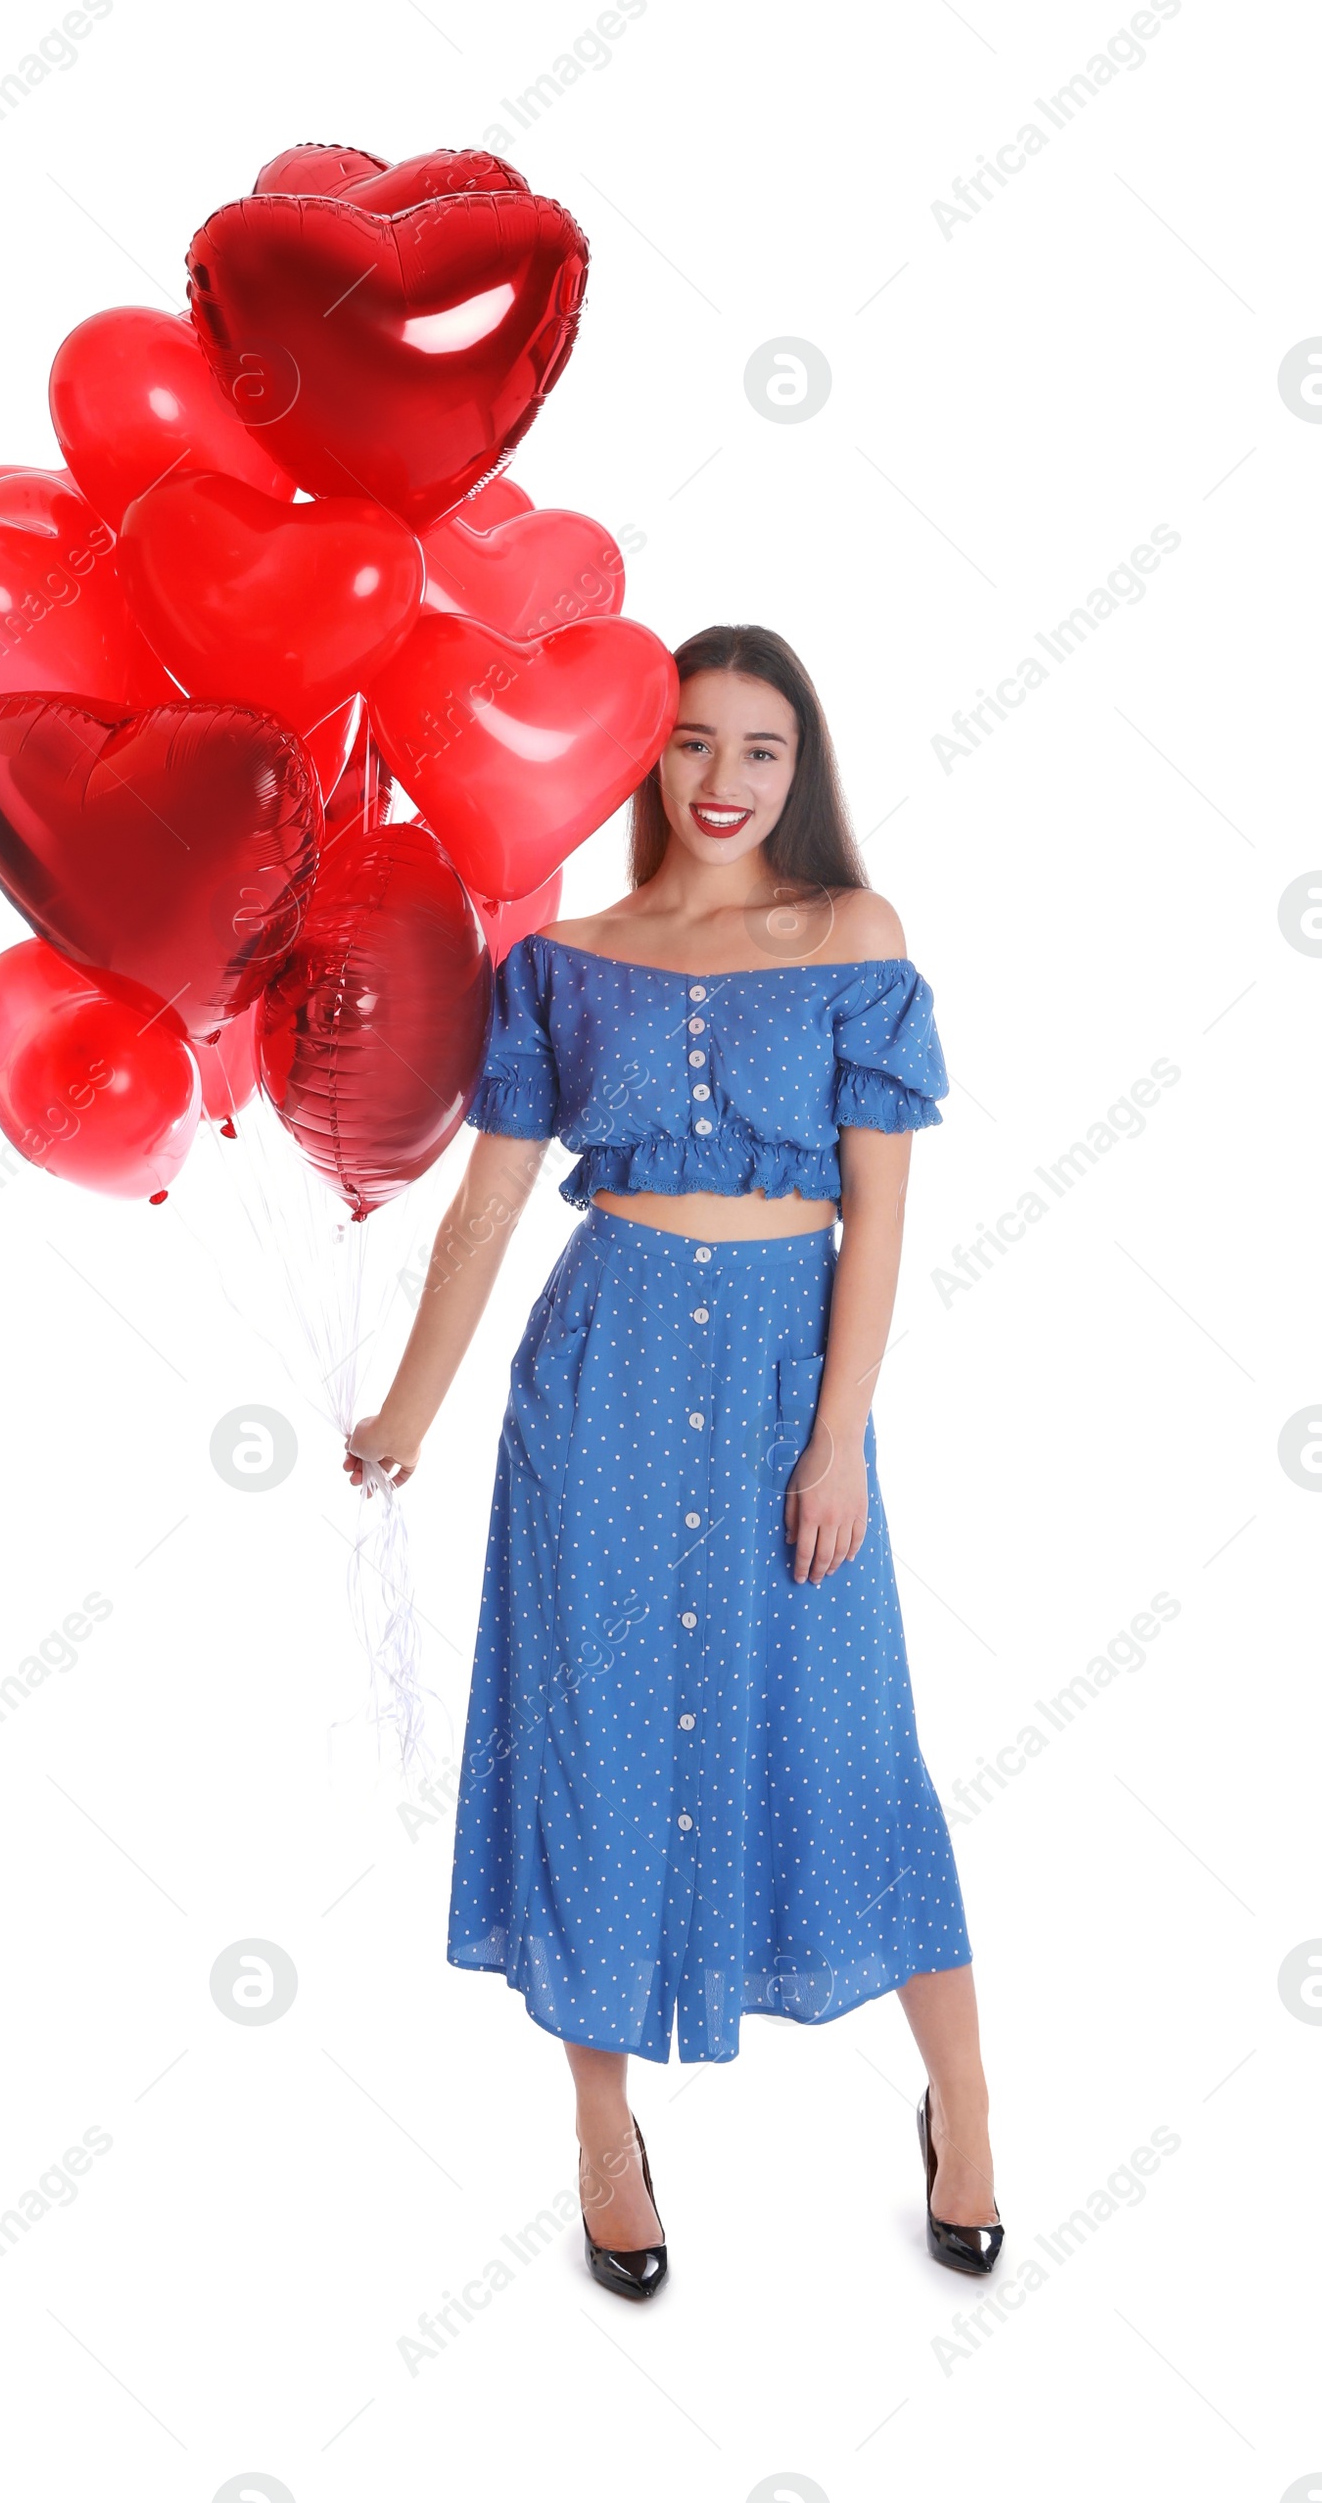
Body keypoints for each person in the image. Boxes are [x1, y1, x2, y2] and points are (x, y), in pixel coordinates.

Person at [344, 623, 1000, 2299]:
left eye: (760, 747)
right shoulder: (567, 958)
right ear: (645, 758)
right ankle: (601, 2132)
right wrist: (412, 1408)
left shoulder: (855, 937)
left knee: (859, 1750)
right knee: (598, 1746)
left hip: (791, 1370)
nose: (725, 779)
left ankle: (968, 2107)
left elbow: (882, 1210)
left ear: (805, 768)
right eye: (693, 743)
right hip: (602, 1378)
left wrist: (839, 1429)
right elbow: (490, 1202)